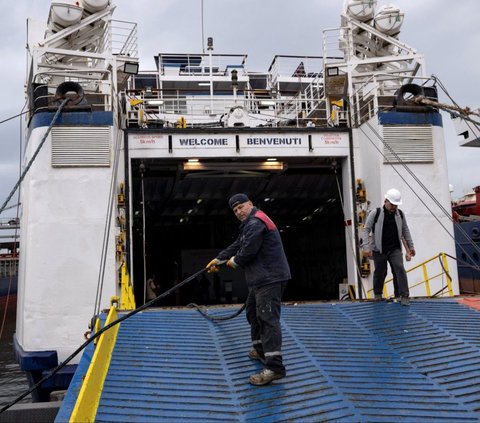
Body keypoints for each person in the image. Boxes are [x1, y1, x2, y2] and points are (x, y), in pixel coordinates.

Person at [207, 193, 291, 386]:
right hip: (259, 279)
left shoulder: (255, 223)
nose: (238, 212)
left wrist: (234, 261)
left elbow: (248, 250)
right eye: (235, 210)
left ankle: (275, 367)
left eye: (241, 207)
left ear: (250, 204)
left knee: (268, 319)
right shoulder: (249, 224)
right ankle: (260, 350)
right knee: (253, 314)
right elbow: (239, 244)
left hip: (270, 278)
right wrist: (219, 259)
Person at [361, 188, 416, 306]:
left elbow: (405, 230)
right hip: (379, 249)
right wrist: (366, 247)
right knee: (381, 272)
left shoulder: (400, 214)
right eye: (392, 204)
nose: (394, 207)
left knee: (399, 269)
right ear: (385, 201)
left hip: (394, 248)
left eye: (396, 205)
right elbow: (366, 230)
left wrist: (410, 247)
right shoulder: (375, 213)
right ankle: (378, 294)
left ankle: (403, 296)